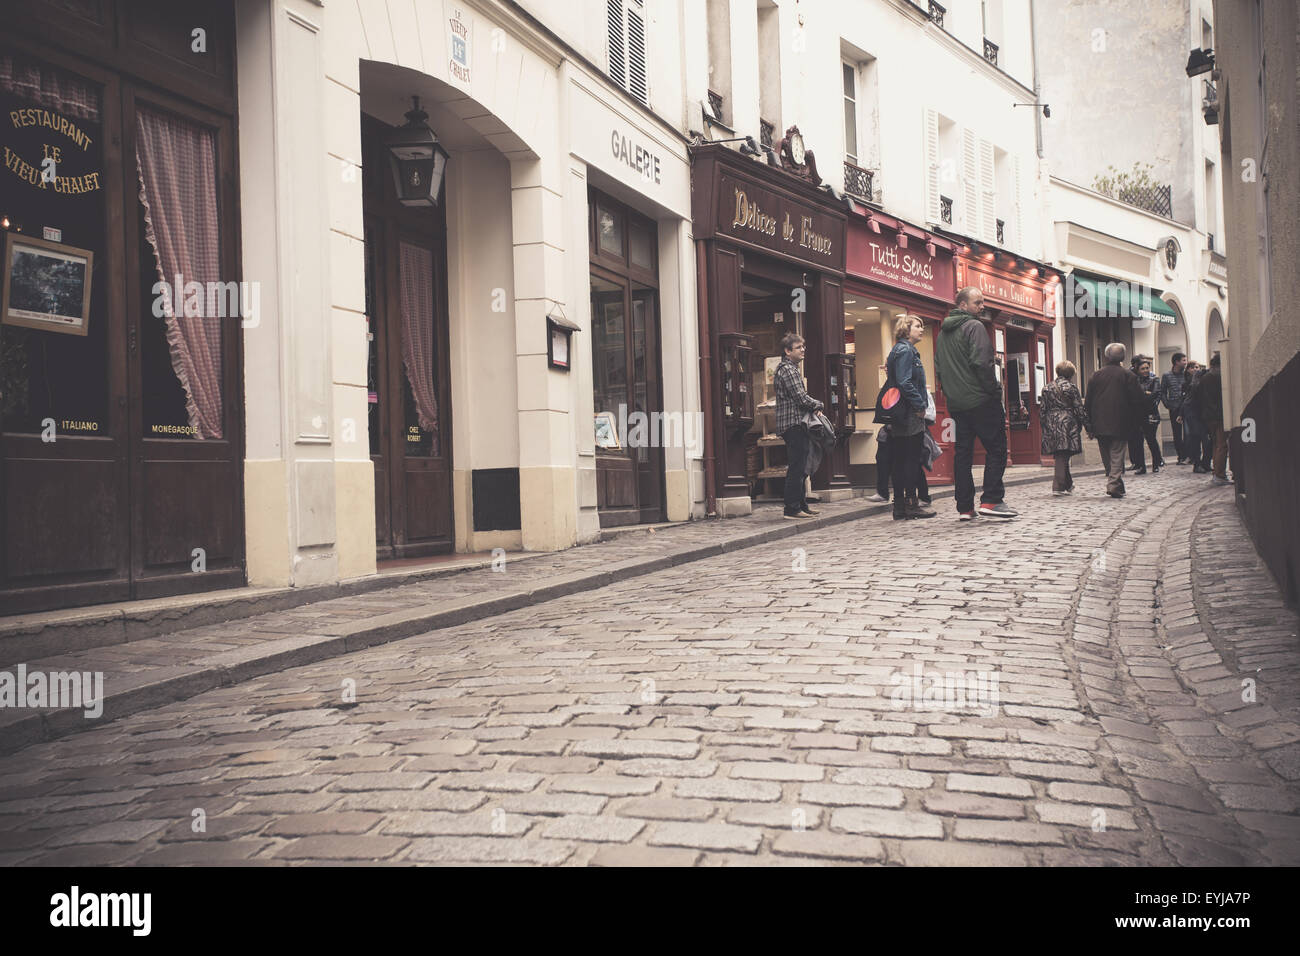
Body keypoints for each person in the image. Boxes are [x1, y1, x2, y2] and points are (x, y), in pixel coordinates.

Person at [934, 287, 1017, 520]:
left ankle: (965, 508)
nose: (982, 307)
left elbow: (939, 369)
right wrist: (994, 391)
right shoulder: (974, 327)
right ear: (962, 305)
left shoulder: (942, 334)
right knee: (997, 449)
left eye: (982, 302)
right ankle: (991, 500)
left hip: (957, 404)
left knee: (963, 454)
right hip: (980, 399)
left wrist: (952, 394)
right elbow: (982, 363)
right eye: (978, 303)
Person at [886, 315, 935, 519]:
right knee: (911, 460)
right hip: (909, 413)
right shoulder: (906, 351)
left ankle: (900, 506)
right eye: (917, 326)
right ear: (906, 329)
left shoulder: (898, 350)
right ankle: (910, 505)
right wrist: (920, 405)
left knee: (901, 459)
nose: (921, 329)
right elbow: (905, 382)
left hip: (900, 412)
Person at [1085, 342, 1147, 498]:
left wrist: (1089, 424)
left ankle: (1115, 482)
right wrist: (1138, 421)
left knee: (1108, 456)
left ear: (1106, 356)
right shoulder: (1128, 375)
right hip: (1121, 422)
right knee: (1117, 455)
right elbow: (1138, 400)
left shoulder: (1096, 375)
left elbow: (1088, 402)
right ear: (1123, 357)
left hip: (1099, 423)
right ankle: (1114, 484)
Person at [774, 333, 823, 519]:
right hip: (793, 423)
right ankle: (792, 508)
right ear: (787, 351)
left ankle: (801, 505)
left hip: (795, 423)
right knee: (797, 466)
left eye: (803, 347)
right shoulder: (787, 369)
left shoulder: (790, 368)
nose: (803, 350)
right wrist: (818, 404)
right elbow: (800, 397)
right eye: (798, 347)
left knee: (802, 466)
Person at [1039, 360, 1089, 495]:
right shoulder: (1071, 388)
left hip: (1051, 422)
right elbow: (1079, 409)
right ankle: (1058, 486)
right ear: (1071, 374)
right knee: (1063, 454)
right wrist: (1088, 427)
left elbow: (1042, 410)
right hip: (1067, 423)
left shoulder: (1047, 388)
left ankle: (1068, 483)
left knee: (1061, 454)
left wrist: (1044, 426)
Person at [1201, 352, 1230, 484]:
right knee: (1222, 445)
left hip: (1208, 415)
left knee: (1216, 444)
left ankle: (1216, 473)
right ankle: (1219, 474)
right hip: (1219, 414)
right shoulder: (1220, 375)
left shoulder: (1206, 376)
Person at [1134, 357, 1165, 473]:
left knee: (1151, 438)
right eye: (1143, 368)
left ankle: (1156, 463)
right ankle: (1142, 466)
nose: (1146, 370)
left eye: (1147, 368)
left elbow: (1155, 394)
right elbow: (1133, 394)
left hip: (1151, 413)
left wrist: (1145, 395)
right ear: (1138, 370)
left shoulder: (1154, 379)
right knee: (1138, 440)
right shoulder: (1135, 380)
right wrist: (1145, 393)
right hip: (1138, 413)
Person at [1161, 352, 1188, 463]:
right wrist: (1167, 404)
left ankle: (1187, 455)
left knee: (1188, 433)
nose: (1185, 363)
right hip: (1174, 408)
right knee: (1177, 433)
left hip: (1186, 407)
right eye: (1184, 360)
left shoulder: (1186, 375)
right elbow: (1162, 392)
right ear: (1177, 362)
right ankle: (1181, 455)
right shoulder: (1167, 376)